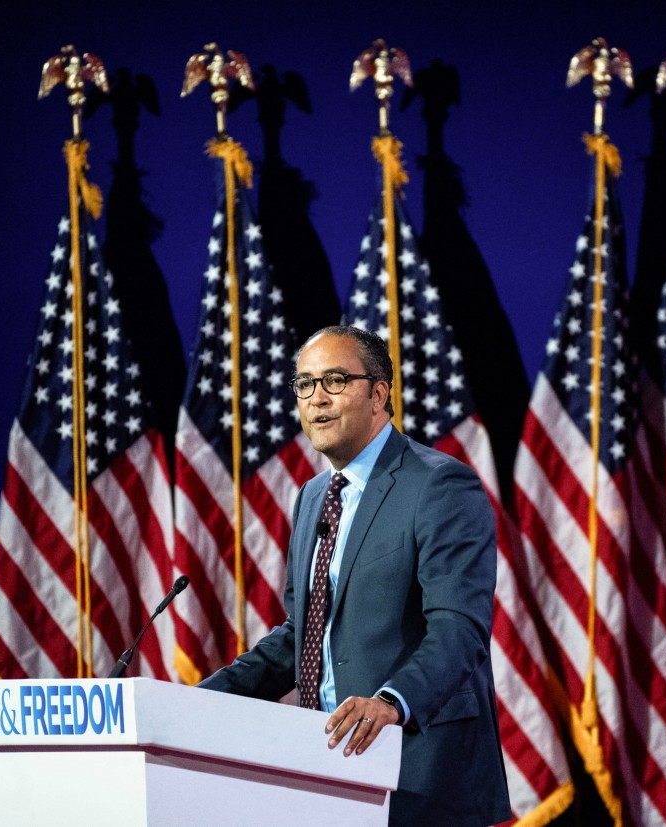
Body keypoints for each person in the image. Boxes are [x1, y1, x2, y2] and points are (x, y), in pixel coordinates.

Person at [199, 325, 511, 826]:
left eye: (335, 381)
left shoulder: (440, 485)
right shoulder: (313, 497)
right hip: (325, 771)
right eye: (304, 384)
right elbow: (302, 636)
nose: (317, 398)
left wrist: (391, 700)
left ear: (379, 394)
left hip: (419, 775)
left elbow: (459, 628)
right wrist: (195, 702)